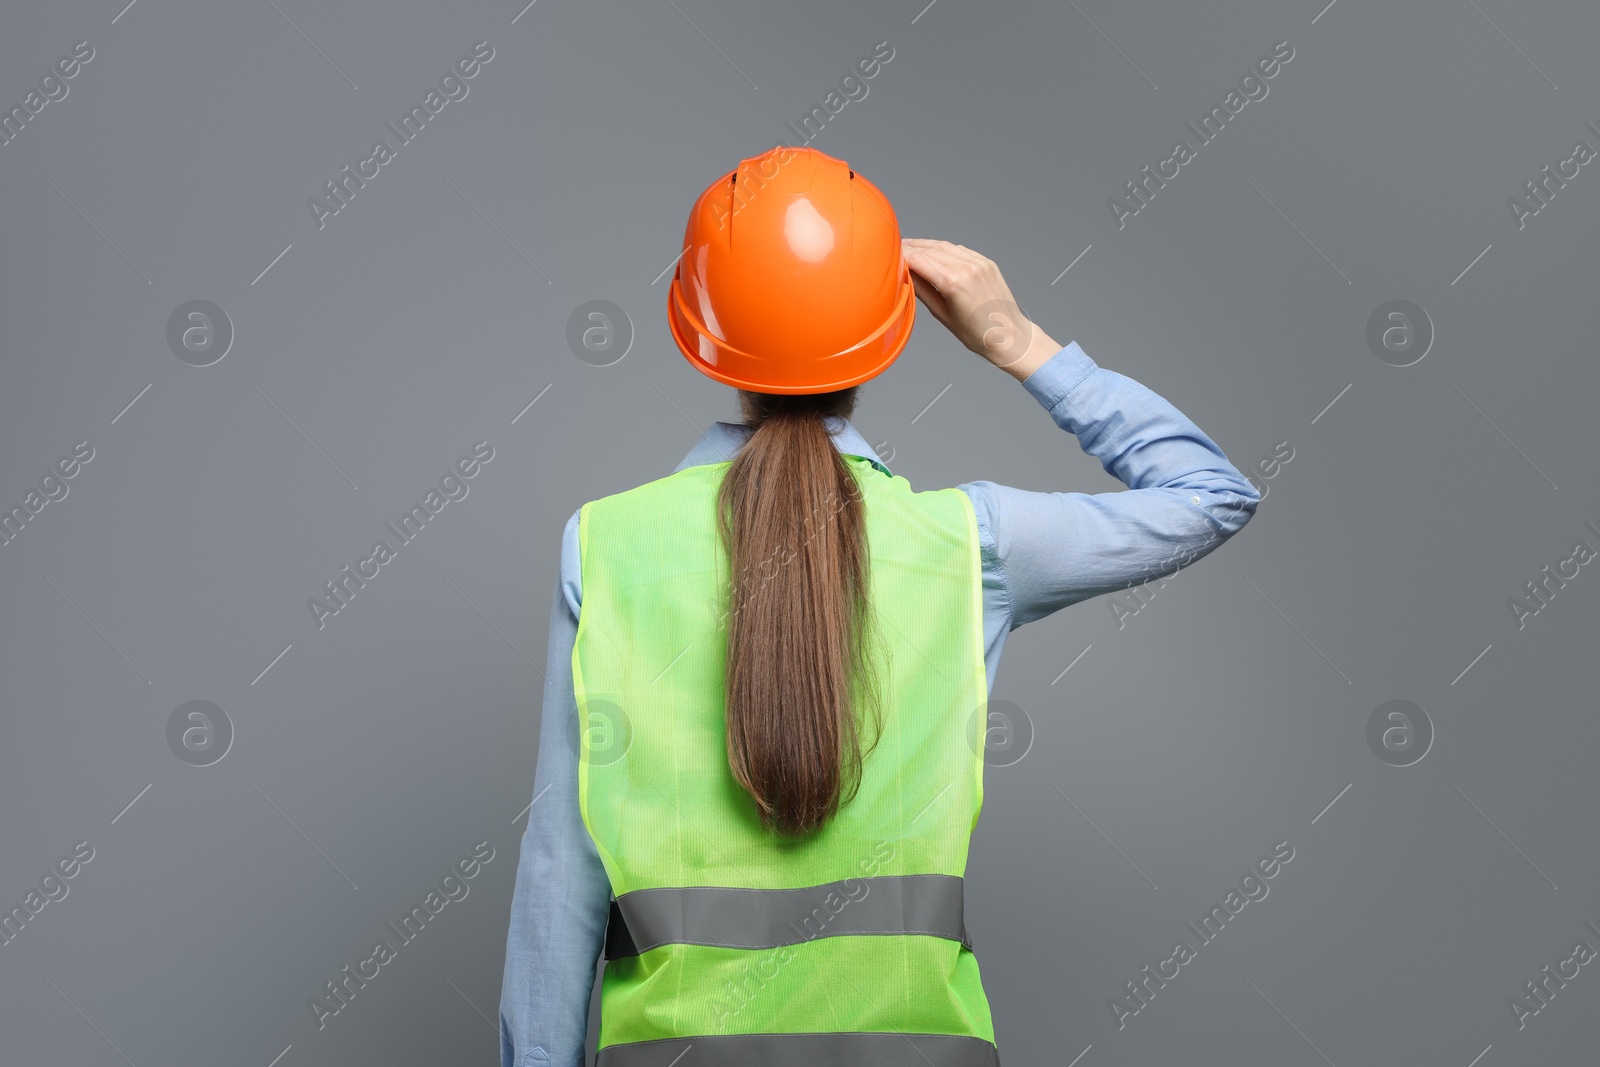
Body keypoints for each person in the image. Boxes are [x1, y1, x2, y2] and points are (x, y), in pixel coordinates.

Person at [499, 145, 1260, 1067]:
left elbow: (559, 874)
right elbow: (1210, 493)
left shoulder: (607, 545)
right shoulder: (968, 547)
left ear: (701, 332)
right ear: (886, 335)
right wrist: (1017, 342)